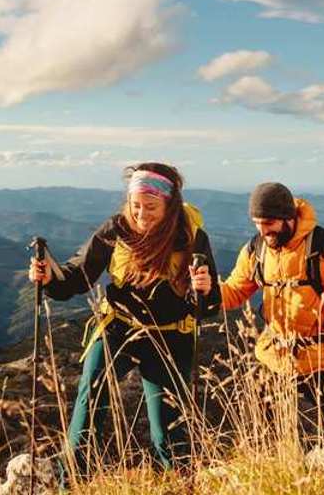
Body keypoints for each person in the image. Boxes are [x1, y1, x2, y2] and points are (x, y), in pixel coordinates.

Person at [28, 162, 221, 478]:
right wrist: (50, 277)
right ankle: (72, 481)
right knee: (89, 403)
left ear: (170, 205)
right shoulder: (116, 229)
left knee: (168, 428)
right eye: (136, 205)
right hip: (117, 327)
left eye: (151, 207)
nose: (142, 214)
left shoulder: (191, 238)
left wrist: (206, 290)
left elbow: (208, 306)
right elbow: (78, 275)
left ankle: (178, 480)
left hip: (170, 337)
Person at [219, 182, 324, 459]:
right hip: (274, 356)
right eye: (257, 223)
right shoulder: (256, 249)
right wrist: (206, 291)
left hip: (322, 356)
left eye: (269, 223)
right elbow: (234, 292)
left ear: (288, 217)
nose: (263, 231)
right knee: (265, 434)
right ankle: (281, 473)